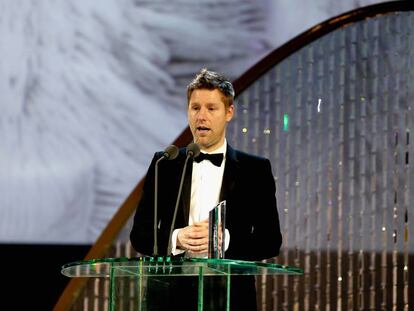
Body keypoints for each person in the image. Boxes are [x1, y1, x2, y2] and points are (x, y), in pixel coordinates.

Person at [130, 68, 282, 310]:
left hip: (229, 296)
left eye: (211, 108)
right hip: (170, 296)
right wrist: (176, 238)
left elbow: (270, 241)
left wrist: (225, 240)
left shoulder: (255, 169)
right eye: (195, 108)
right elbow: (139, 234)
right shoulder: (165, 164)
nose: (201, 117)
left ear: (229, 112)